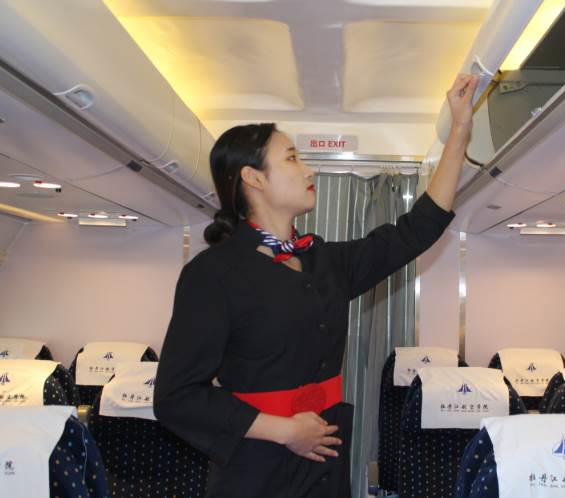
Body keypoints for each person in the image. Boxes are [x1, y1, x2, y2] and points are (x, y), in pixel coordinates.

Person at [153, 74, 479, 498]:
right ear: (253, 178)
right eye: (292, 158)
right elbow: (176, 396)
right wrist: (285, 430)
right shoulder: (213, 273)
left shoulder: (324, 261)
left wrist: (460, 130)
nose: (308, 170)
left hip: (326, 462)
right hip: (256, 469)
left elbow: (416, 230)